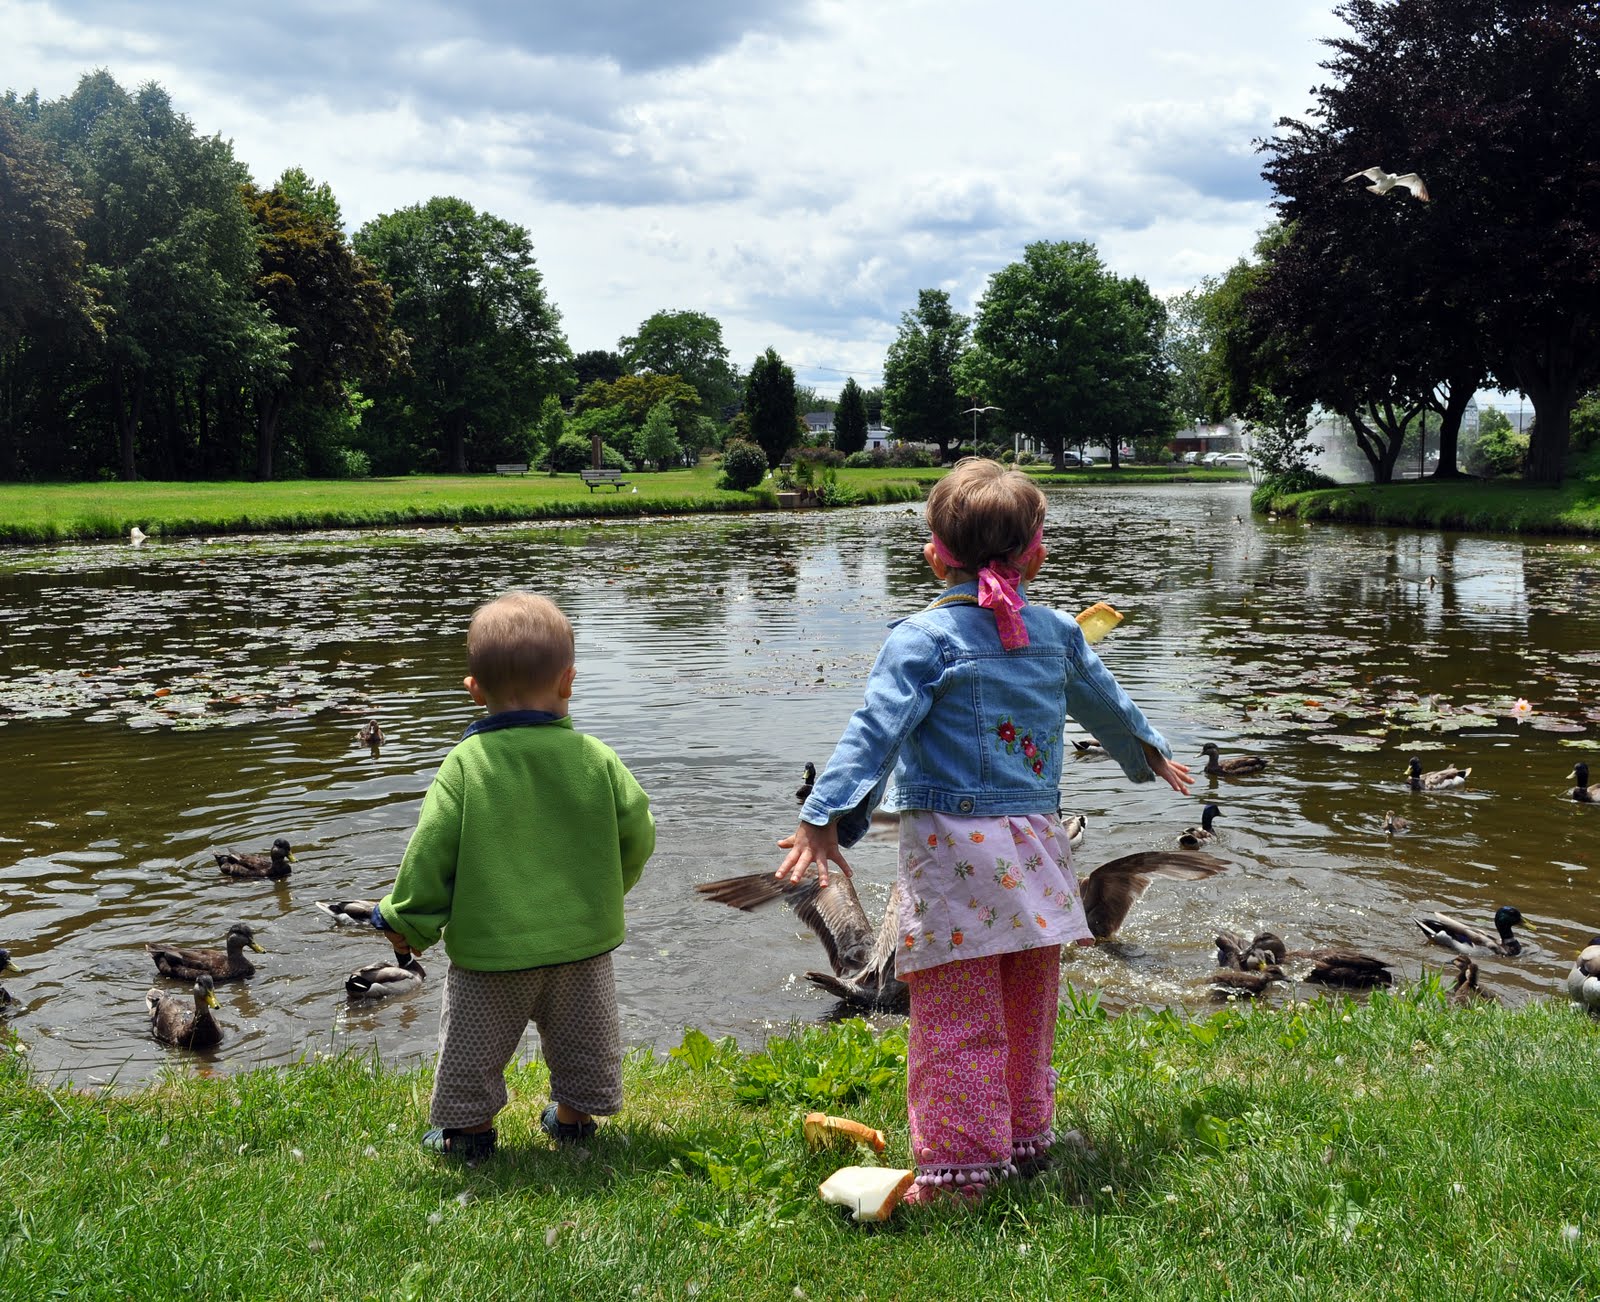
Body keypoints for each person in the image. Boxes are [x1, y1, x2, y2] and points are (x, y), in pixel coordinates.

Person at [776, 457, 1191, 1204]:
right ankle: (1026, 1136)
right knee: (1029, 996)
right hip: (1037, 849)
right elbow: (1106, 701)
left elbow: (876, 732)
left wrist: (824, 816)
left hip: (955, 856)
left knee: (956, 1012)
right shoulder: (1058, 631)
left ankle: (964, 1168)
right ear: (1036, 551)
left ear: (935, 552)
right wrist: (1149, 750)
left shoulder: (923, 638)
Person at [372, 590, 655, 1158]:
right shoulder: (596, 758)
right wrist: (606, 889)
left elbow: (430, 853)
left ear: (474, 690)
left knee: (473, 1051)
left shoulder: (466, 765)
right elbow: (639, 831)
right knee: (583, 1042)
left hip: (492, 952)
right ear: (568, 682)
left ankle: (471, 1134)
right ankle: (574, 1120)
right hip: (581, 943)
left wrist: (407, 920)